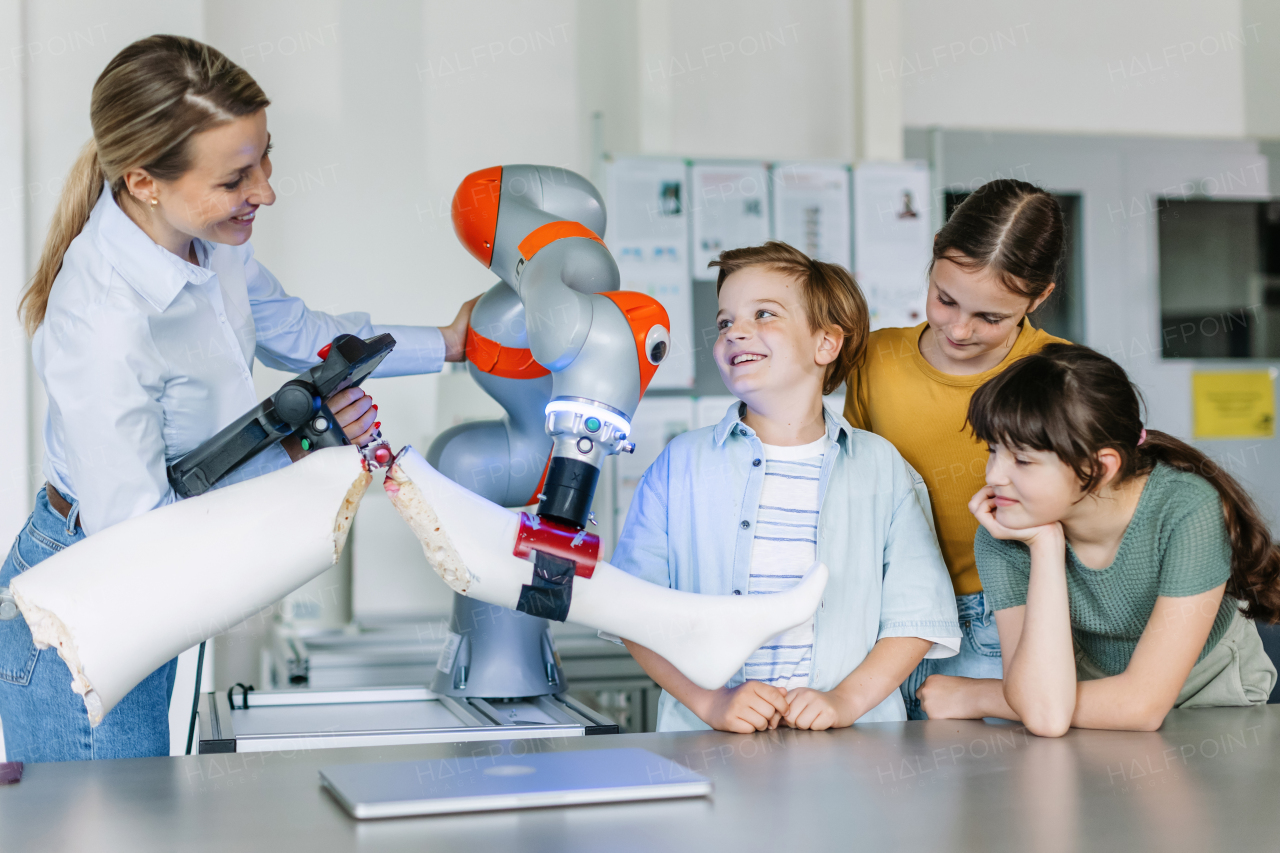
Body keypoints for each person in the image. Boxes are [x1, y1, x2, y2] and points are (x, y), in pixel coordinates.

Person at [0, 35, 475, 763]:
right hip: (80, 619)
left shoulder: (207, 239)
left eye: (266, 159)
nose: (265, 191)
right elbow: (142, 537)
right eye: (236, 178)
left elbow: (302, 331)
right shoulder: (100, 323)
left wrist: (448, 341)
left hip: (141, 595)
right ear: (143, 180)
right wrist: (307, 446)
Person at [612, 242, 960, 732]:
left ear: (826, 344)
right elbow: (633, 610)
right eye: (726, 321)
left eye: (763, 314)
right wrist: (712, 703)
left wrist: (843, 701)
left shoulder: (882, 469)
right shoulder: (679, 464)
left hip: (851, 751)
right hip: (709, 748)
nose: (736, 332)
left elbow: (916, 619)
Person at [936, 344, 1277, 736]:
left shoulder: (1187, 509)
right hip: (1091, 703)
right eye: (993, 450)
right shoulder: (1004, 532)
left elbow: (1141, 707)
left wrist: (982, 697)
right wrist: (1045, 548)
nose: (994, 476)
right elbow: (1046, 717)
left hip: (1216, 700)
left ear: (1099, 469)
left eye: (1023, 460)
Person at [843, 179, 1069, 719]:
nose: (960, 329)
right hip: (884, 621)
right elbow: (850, 488)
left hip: (1006, 620)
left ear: (1039, 298)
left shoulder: (1060, 375)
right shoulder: (874, 359)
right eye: (945, 299)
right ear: (936, 251)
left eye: (991, 317)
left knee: (993, 795)